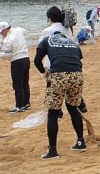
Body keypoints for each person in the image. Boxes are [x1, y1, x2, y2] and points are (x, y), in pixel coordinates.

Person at [34, 31, 86, 160]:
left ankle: (52, 151)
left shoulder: (46, 40)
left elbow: (36, 61)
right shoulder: (72, 42)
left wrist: (45, 73)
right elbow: (78, 60)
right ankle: (81, 142)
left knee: (53, 112)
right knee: (73, 108)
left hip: (58, 76)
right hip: (77, 75)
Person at [40, 6, 88, 113]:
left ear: (50, 18)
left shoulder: (47, 31)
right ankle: (81, 105)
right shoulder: (67, 29)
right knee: (71, 87)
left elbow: (41, 47)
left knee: (54, 88)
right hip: (71, 60)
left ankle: (57, 111)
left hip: (53, 63)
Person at [0, 21, 30, 113]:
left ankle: (19, 106)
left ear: (5, 29)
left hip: (17, 61)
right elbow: (25, 31)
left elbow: (8, 55)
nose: (1, 34)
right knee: (25, 83)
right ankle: (26, 104)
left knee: (17, 85)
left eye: (1, 32)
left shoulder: (7, 40)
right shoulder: (18, 30)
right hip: (26, 59)